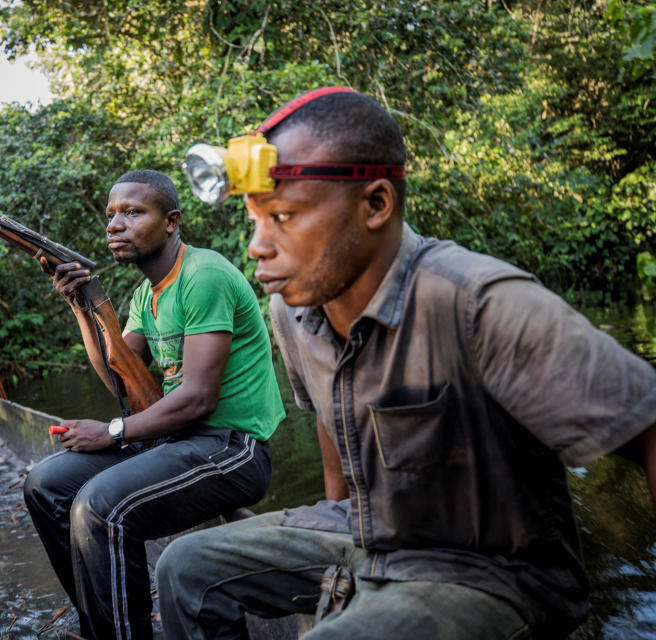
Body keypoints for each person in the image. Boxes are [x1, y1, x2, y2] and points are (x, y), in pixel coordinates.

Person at [157, 88, 656, 639]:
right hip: (368, 532)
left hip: (486, 570)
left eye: (283, 217)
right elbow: (331, 420)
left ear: (375, 205)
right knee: (185, 568)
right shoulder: (291, 309)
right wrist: (331, 513)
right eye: (255, 219)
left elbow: (648, 427)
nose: (257, 246)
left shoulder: (477, 302)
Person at [23, 170, 285, 639]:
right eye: (110, 215)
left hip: (233, 449)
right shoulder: (146, 294)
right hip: (177, 441)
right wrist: (82, 307)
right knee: (46, 484)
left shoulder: (202, 275)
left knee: (99, 506)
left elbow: (198, 398)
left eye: (132, 212)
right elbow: (120, 379)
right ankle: (99, 625)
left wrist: (112, 432)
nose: (115, 225)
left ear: (171, 221)